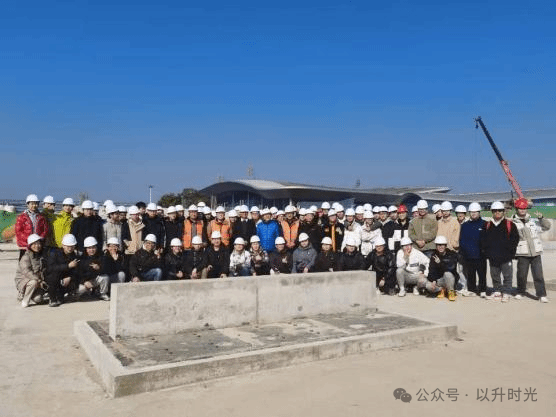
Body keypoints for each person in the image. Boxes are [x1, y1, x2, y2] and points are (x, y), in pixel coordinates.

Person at [511, 197, 551, 303]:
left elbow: (547, 227)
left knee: (538, 275)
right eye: (520, 208)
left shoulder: (532, 221)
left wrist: (542, 218)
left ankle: (541, 294)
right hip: (522, 252)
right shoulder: (513, 222)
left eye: (524, 208)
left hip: (535, 252)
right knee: (521, 275)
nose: (522, 210)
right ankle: (520, 291)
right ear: (517, 209)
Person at [480, 201, 519, 302]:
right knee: (495, 275)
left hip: (506, 257)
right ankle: (497, 291)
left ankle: (506, 292)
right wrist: (487, 252)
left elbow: (515, 239)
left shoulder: (510, 224)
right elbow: (483, 239)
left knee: (507, 275)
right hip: (493, 257)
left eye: (500, 210)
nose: (497, 212)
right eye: (495, 210)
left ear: (503, 211)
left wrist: (510, 253)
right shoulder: (487, 225)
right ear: (492, 212)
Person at [459, 203, 488, 297]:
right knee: (471, 274)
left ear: (479, 212)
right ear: (469, 213)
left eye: (475, 212)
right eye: (472, 212)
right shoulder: (465, 225)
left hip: (481, 255)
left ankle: (483, 289)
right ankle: (472, 289)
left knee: (482, 274)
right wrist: (465, 251)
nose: (473, 213)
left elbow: (488, 239)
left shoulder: (485, 224)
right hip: (469, 254)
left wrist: (485, 251)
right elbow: (462, 240)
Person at [46, 234, 80, 307]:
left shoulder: (74, 255)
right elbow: (51, 268)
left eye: (72, 246)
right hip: (55, 279)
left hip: (65, 279)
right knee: (53, 276)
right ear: (63, 245)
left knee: (76, 279)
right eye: (68, 246)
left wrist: (70, 277)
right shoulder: (54, 254)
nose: (70, 248)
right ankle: (52, 298)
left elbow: (77, 270)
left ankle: (61, 296)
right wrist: (68, 266)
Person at [14, 234, 47, 307]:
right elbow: (27, 272)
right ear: (30, 246)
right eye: (34, 244)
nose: (37, 246)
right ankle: (25, 299)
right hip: (24, 280)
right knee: (33, 282)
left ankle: (30, 293)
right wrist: (39, 280)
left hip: (37, 280)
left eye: (39, 243)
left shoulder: (42, 255)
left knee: (38, 299)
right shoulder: (26, 257)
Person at [15, 194, 49, 260]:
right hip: (25, 245)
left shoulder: (41, 217)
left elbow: (45, 229)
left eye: (36, 204)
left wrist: (40, 238)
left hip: (37, 245)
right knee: (24, 261)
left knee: (37, 261)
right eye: (32, 204)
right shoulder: (22, 217)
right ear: (28, 204)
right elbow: (18, 231)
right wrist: (28, 240)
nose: (34, 205)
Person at [426, 236, 459, 301]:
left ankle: (451, 291)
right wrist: (433, 280)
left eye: (442, 245)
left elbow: (450, 269)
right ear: (436, 246)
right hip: (440, 280)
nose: (440, 247)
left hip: (450, 279)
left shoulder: (452, 254)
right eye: (438, 245)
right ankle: (442, 289)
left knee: (447, 274)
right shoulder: (434, 255)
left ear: (445, 246)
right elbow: (431, 270)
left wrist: (440, 263)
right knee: (428, 286)